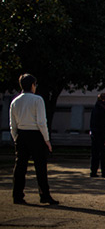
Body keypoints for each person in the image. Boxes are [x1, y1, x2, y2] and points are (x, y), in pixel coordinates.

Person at [10, 73, 59, 205]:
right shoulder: (37, 100)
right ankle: (44, 195)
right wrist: (47, 139)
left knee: (20, 167)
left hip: (21, 134)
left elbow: (12, 124)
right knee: (41, 167)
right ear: (33, 85)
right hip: (36, 135)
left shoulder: (15, 101)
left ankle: (17, 195)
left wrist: (16, 137)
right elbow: (42, 122)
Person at [90, 92, 105, 178]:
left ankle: (94, 171)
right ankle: (104, 171)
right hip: (101, 135)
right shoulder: (104, 110)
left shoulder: (96, 108)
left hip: (95, 134)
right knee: (103, 154)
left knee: (95, 154)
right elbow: (104, 125)